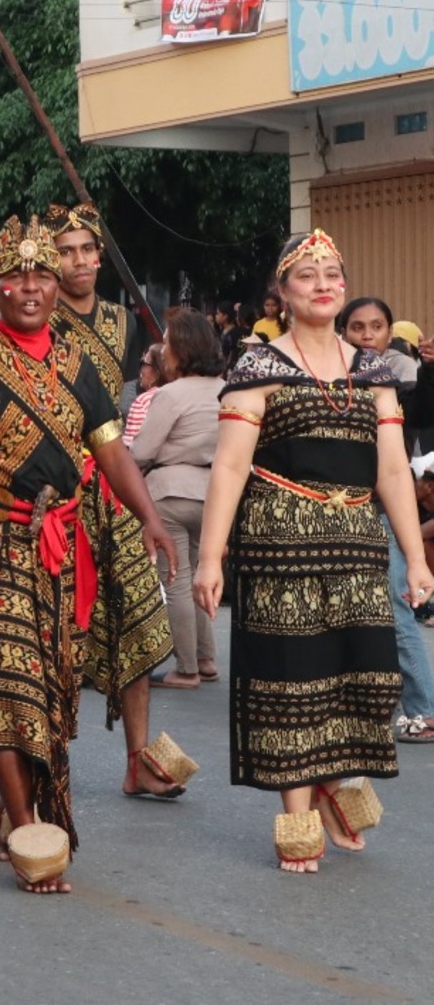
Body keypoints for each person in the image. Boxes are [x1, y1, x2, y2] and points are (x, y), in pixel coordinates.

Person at [0, 216, 176, 893]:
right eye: (14, 277)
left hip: (63, 551)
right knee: (13, 687)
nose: (28, 288)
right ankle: (28, 830)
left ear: (54, 285)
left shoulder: (79, 365)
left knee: (52, 695)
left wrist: (150, 517)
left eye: (41, 276)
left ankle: (5, 809)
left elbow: (111, 452)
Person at [193, 229, 432, 873]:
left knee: (364, 676)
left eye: (332, 273)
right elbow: (230, 467)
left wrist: (416, 557)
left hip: (357, 542)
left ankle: (329, 784)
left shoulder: (374, 371)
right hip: (280, 543)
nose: (323, 284)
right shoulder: (259, 367)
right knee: (293, 678)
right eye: (307, 274)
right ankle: (297, 813)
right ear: (283, 291)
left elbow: (392, 471)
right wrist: (210, 558)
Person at [43, 201, 183, 800]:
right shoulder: (37, 315)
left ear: (100, 256)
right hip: (54, 491)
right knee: (56, 636)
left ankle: (137, 760)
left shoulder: (121, 321)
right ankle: (38, 773)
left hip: (114, 484)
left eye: (87, 249)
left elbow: (120, 410)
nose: (78, 261)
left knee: (141, 624)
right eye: (65, 251)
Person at [340, 296, 434, 743]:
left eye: (376, 326)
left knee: (395, 612)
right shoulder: (330, 378)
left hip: (381, 513)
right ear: (343, 332)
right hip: (332, 513)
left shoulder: (396, 383)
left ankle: (424, 710)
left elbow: (423, 413)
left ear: (390, 332)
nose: (367, 335)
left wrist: (430, 369)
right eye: (357, 327)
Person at [132, 310, 225, 689]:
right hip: (213, 495)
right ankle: (205, 658)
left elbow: (142, 452)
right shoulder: (227, 390)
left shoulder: (171, 394)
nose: (164, 350)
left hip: (170, 492)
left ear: (181, 349)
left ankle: (186, 668)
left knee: (176, 581)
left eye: (168, 343)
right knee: (201, 575)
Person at [122, 341, 166, 446]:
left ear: (157, 372)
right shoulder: (178, 399)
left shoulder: (142, 402)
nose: (140, 370)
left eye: (143, 364)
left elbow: (131, 447)